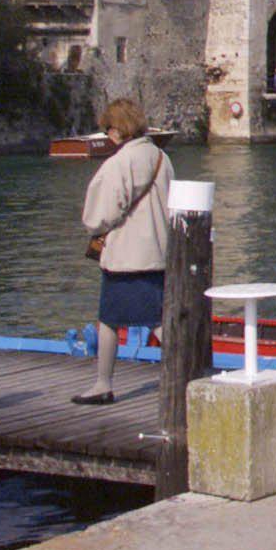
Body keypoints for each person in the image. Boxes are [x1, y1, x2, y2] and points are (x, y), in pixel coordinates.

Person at [73, 98, 173, 405]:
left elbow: (100, 215)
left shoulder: (118, 163)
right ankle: (188, 374)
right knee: (157, 317)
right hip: (158, 251)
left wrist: (94, 226)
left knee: (110, 319)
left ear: (116, 129)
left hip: (126, 256)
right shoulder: (161, 158)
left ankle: (104, 383)